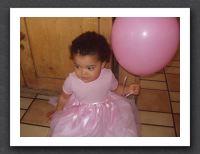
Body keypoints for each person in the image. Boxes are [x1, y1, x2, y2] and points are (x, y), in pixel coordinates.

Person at [48, 31, 140, 137]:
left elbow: (116, 89)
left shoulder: (108, 75)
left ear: (102, 64)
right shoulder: (71, 80)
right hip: (80, 114)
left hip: (107, 113)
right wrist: (58, 113)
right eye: (77, 66)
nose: (82, 73)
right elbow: (64, 97)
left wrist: (128, 89)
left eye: (90, 68)